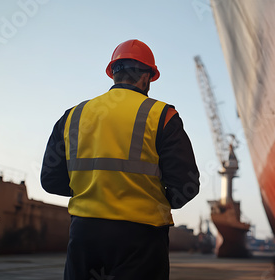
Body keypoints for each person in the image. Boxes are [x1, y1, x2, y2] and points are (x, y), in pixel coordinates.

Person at [40, 39, 200, 280]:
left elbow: (50, 180)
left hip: (85, 235)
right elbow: (186, 185)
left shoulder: (73, 116)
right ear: (147, 77)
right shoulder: (162, 116)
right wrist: (152, 200)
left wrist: (93, 191)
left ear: (113, 73)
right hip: (142, 238)